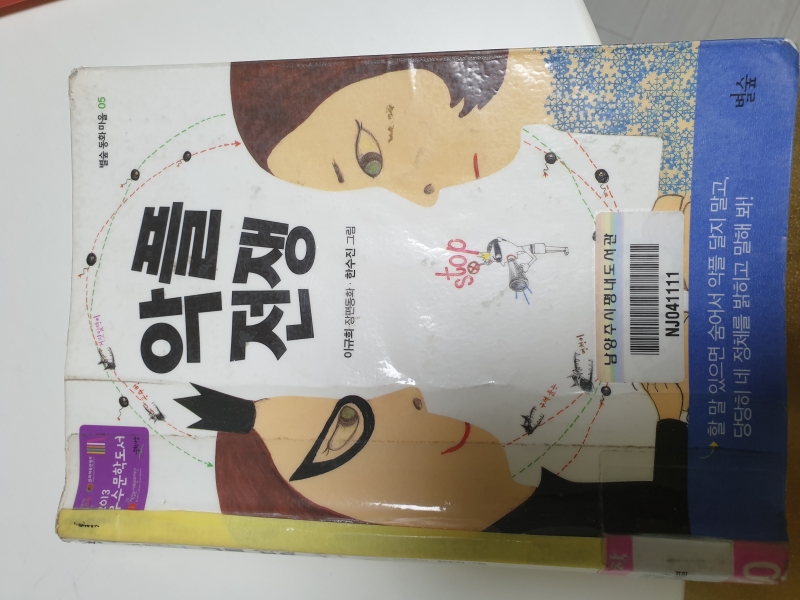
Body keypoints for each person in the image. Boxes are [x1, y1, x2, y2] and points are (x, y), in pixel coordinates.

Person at [176, 383, 689, 537]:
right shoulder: (561, 537)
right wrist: (672, 422)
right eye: (348, 426)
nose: (411, 396)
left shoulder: (558, 499)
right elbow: (681, 520)